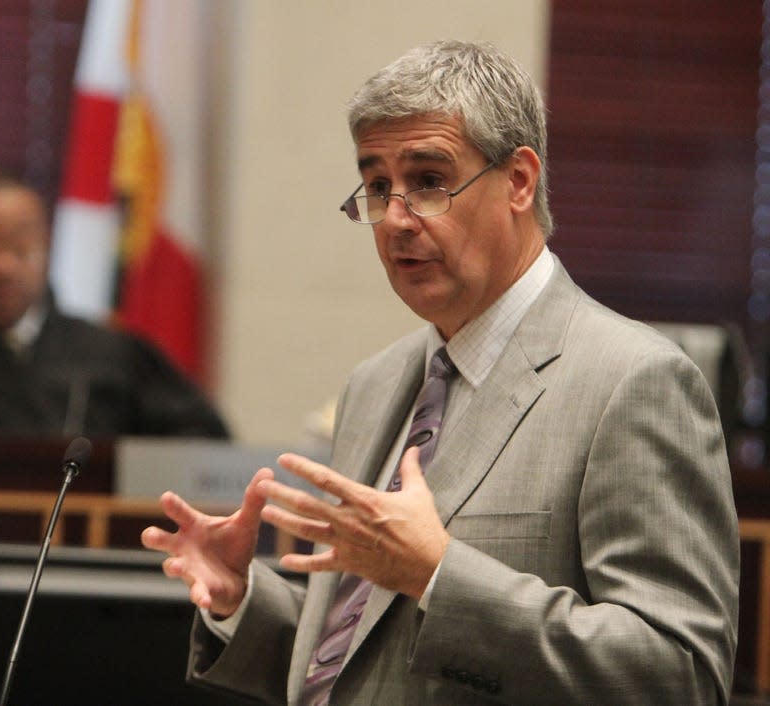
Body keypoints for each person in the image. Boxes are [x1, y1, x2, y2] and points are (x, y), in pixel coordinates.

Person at [141, 41, 739, 704]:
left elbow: (679, 674)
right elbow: (368, 656)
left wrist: (439, 575)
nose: (396, 218)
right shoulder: (377, 384)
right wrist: (244, 601)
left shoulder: (634, 383)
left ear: (518, 181)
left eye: (428, 181)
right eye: (376, 186)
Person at [0, 170, 229, 439]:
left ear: (47, 247)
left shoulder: (110, 353)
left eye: (21, 248)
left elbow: (201, 445)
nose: (4, 266)